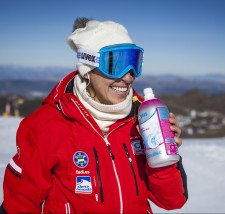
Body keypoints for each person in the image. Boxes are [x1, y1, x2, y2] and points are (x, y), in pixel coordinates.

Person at [0, 18, 188, 213]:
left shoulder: (142, 120)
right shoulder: (47, 125)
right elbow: (19, 205)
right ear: (87, 67)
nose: (128, 76)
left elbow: (172, 201)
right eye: (116, 64)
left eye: (133, 63)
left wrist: (163, 158)